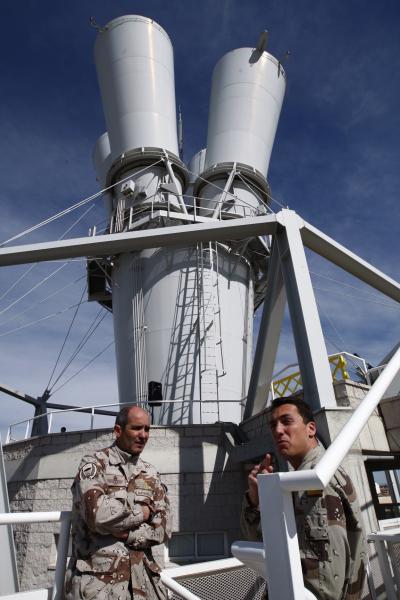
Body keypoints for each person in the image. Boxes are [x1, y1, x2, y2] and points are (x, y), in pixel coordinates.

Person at [241, 396, 367, 600]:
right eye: (273, 425)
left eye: (287, 421)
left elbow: (323, 586)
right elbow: (266, 541)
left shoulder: (315, 480)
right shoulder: (304, 477)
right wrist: (256, 501)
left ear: (311, 428)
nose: (277, 431)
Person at [65, 405, 171, 600]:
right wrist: (143, 513)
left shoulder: (151, 473)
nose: (143, 435)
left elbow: (164, 528)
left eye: (147, 429)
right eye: (136, 428)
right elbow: (98, 515)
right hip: (99, 586)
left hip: (143, 585)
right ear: (118, 431)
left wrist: (127, 533)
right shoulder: (95, 464)